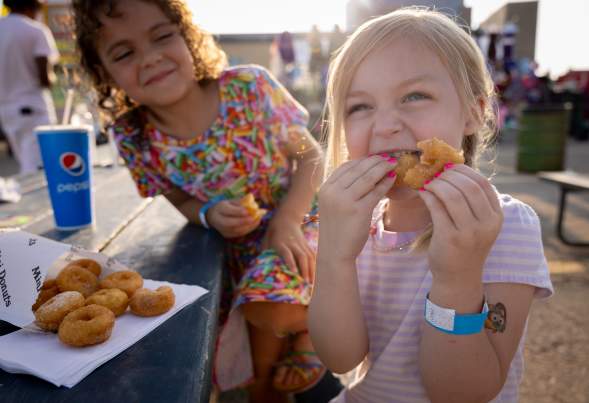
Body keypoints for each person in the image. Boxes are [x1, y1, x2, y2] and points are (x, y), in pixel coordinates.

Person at [71, 1, 326, 402]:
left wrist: (287, 219)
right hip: (229, 254)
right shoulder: (133, 136)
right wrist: (207, 214)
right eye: (124, 52)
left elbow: (312, 157)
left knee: (267, 306)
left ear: (187, 37)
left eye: (161, 36)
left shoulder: (250, 88)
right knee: (200, 335)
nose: (151, 58)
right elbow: (176, 197)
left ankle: (300, 341)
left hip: (302, 228)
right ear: (104, 73)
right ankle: (278, 358)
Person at [309, 7, 553, 403]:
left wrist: (458, 278)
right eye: (360, 106)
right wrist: (334, 256)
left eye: (415, 96)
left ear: (474, 113)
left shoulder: (506, 227)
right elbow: (340, 357)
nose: (385, 124)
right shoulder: (355, 226)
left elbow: (461, 392)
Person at [0, 0, 59, 175]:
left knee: (26, 165)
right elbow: (45, 79)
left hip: (6, 111)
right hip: (34, 108)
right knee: (40, 171)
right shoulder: (36, 30)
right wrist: (53, 76)